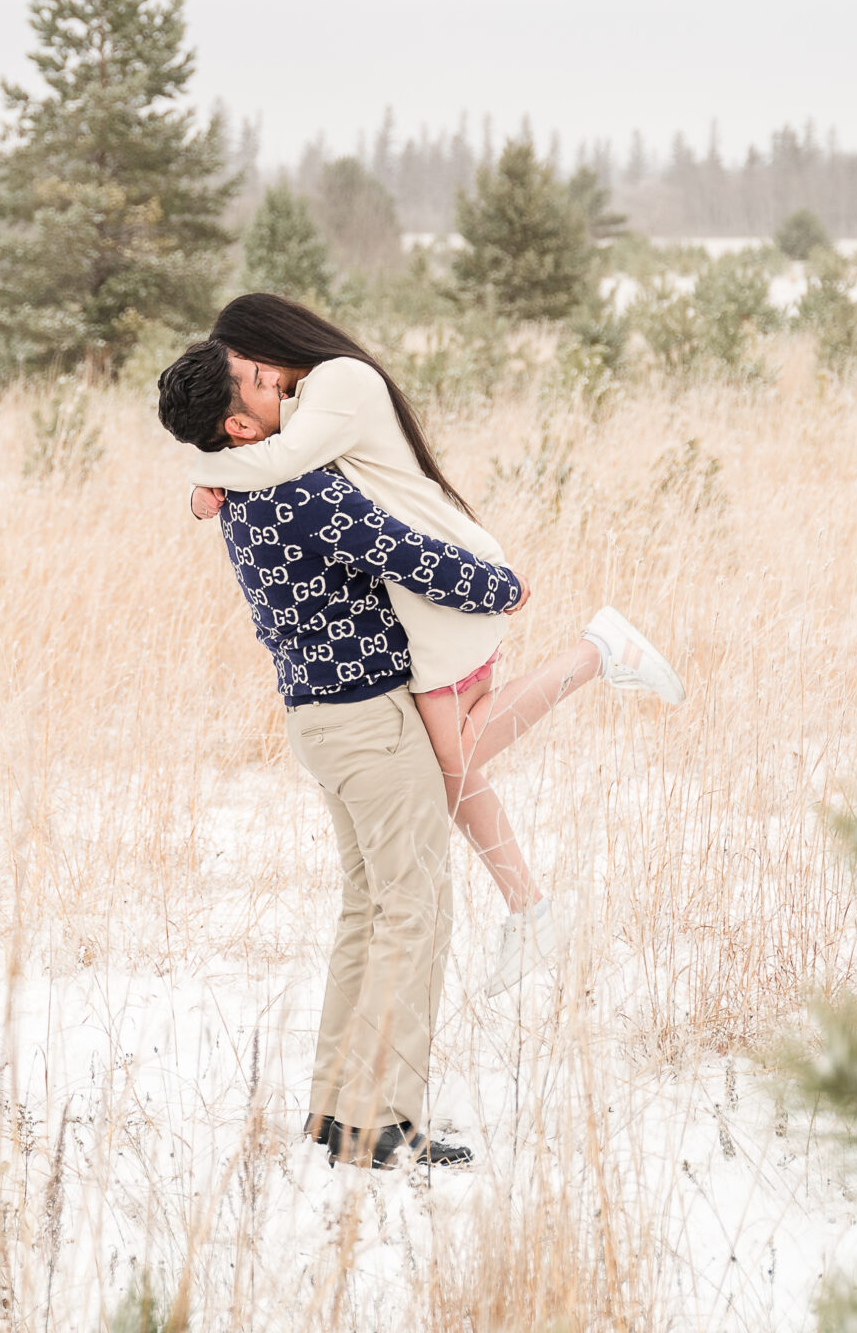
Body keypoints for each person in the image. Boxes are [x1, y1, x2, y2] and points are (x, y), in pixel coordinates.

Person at [159, 294, 686, 1001]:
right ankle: (532, 910)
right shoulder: (308, 397)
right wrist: (204, 479)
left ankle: (596, 652)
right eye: (255, 379)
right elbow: (267, 456)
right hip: (422, 587)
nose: (270, 382)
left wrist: (203, 478)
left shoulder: (338, 382)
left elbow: (275, 459)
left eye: (258, 369)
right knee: (454, 773)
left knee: (455, 761)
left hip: (441, 576)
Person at [156, 357, 524, 1170]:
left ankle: (336, 1108)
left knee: (369, 911)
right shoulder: (304, 491)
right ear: (241, 428)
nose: (280, 386)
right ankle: (378, 1123)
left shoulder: (241, 494)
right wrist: (502, 586)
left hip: (317, 720)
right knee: (414, 912)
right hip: (370, 720)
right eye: (257, 386)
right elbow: (408, 555)